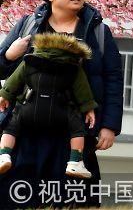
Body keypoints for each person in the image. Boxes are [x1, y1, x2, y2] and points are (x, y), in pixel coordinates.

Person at [0, 0, 123, 209]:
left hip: (73, 132)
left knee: (75, 200)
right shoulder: (28, 26)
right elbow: (2, 69)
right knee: (15, 198)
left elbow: (113, 78)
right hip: (27, 131)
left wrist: (109, 126)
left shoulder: (97, 31)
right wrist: (9, 55)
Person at [0, 33, 97, 179]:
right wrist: (88, 108)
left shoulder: (30, 61)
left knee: (11, 127)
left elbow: (14, 81)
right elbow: (82, 91)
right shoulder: (73, 67)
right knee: (77, 130)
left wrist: (5, 95)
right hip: (61, 111)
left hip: (29, 108)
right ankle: (75, 162)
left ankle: (4, 155)